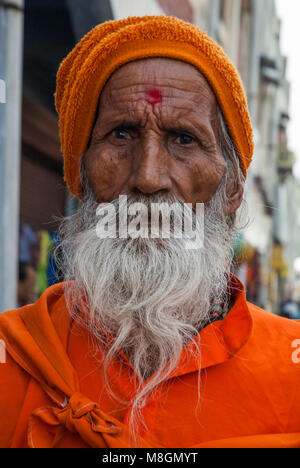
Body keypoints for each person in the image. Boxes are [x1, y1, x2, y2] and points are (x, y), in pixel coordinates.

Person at [0, 16, 299, 448]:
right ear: (78, 176)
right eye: (121, 134)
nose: (149, 177)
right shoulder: (14, 361)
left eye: (183, 139)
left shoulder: (292, 373)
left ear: (232, 187)